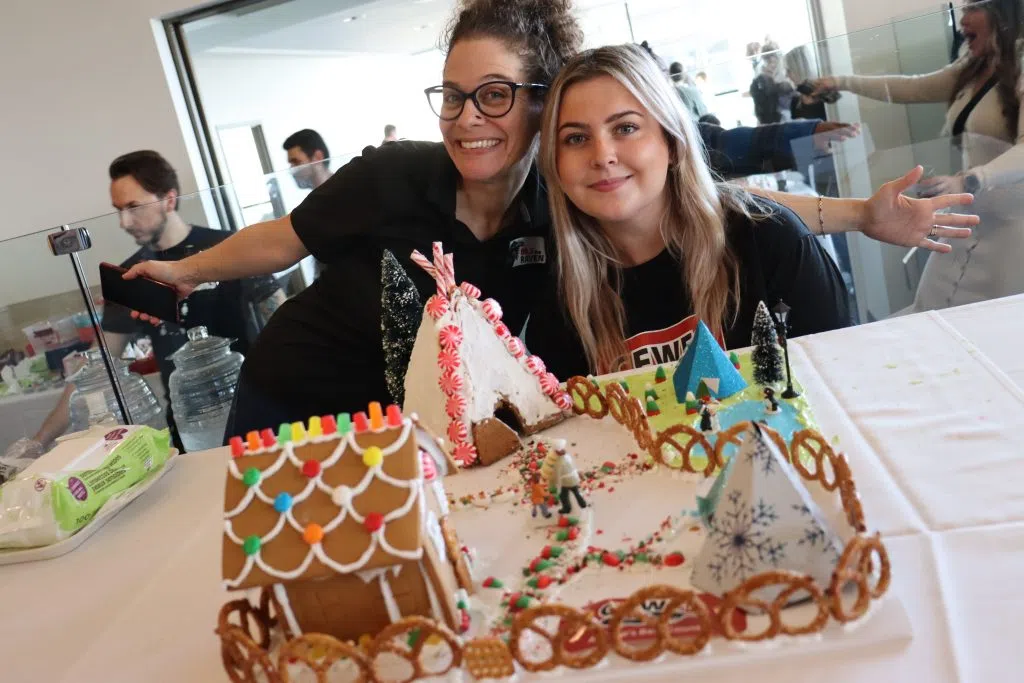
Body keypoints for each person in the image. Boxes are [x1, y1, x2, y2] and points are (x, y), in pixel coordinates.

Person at [123, 1, 975, 440]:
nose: (467, 118)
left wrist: (859, 213)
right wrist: (188, 270)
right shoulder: (399, 176)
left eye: (494, 95)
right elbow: (284, 239)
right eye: (453, 96)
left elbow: (707, 198)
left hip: (414, 427)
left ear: (537, 104)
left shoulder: (564, 206)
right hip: (298, 395)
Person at [524, 44, 975, 380]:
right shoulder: (558, 298)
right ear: (556, 165)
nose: (602, 155)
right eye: (576, 138)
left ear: (672, 142)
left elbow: (847, 386)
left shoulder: (770, 244)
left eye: (625, 128)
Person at [814, 0, 1024, 312]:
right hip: (969, 219)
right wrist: (840, 82)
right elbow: (910, 88)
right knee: (934, 310)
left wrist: (970, 180)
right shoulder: (975, 66)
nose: (962, 20)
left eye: (972, 9)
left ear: (1002, 12)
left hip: (1011, 231)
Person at [102, 151, 286, 449]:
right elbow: (102, 358)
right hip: (190, 430)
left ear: (169, 200)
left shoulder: (227, 247)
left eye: (133, 207)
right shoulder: (130, 276)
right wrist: (40, 439)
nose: (124, 221)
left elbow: (282, 315)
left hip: (257, 415)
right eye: (118, 209)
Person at [751, 41, 795, 124]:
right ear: (763, 59)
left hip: (786, 112)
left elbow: (790, 88)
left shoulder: (784, 71)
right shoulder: (760, 73)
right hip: (768, 113)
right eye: (768, 62)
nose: (771, 65)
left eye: (773, 62)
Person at [552, 439, 586, 514]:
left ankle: (567, 508)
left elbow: (557, 474)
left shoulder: (559, 462)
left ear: (557, 452)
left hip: (567, 481)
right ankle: (583, 504)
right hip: (574, 478)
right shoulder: (568, 457)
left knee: (563, 496)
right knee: (576, 492)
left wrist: (556, 483)